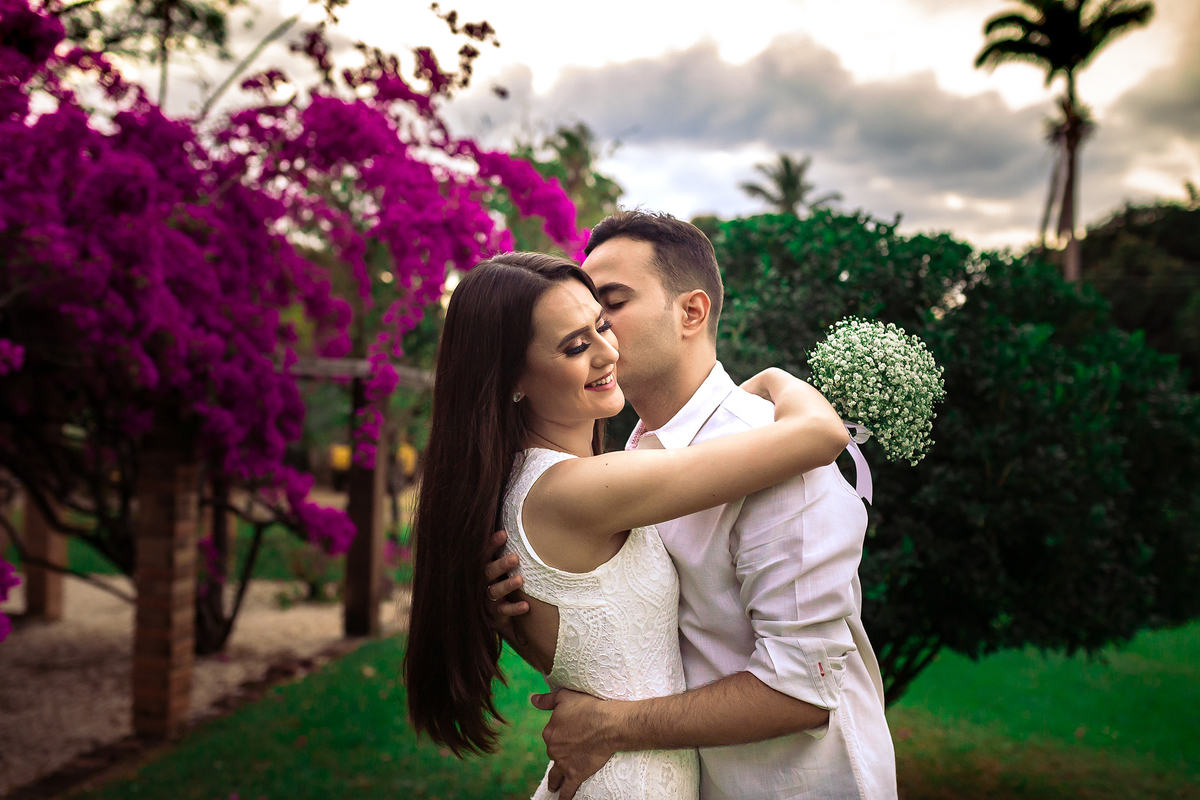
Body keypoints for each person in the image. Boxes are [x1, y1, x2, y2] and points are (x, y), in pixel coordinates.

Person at [403, 251, 849, 800]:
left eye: (603, 325)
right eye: (575, 346)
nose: (609, 352)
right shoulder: (582, 490)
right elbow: (821, 435)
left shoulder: (528, 484)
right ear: (512, 378)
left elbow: (597, 645)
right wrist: (775, 381)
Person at [486, 211, 898, 800]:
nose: (597, 332)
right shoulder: (626, 462)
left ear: (691, 312)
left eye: (610, 307)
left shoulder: (778, 460)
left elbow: (805, 688)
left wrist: (612, 726)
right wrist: (534, 607)